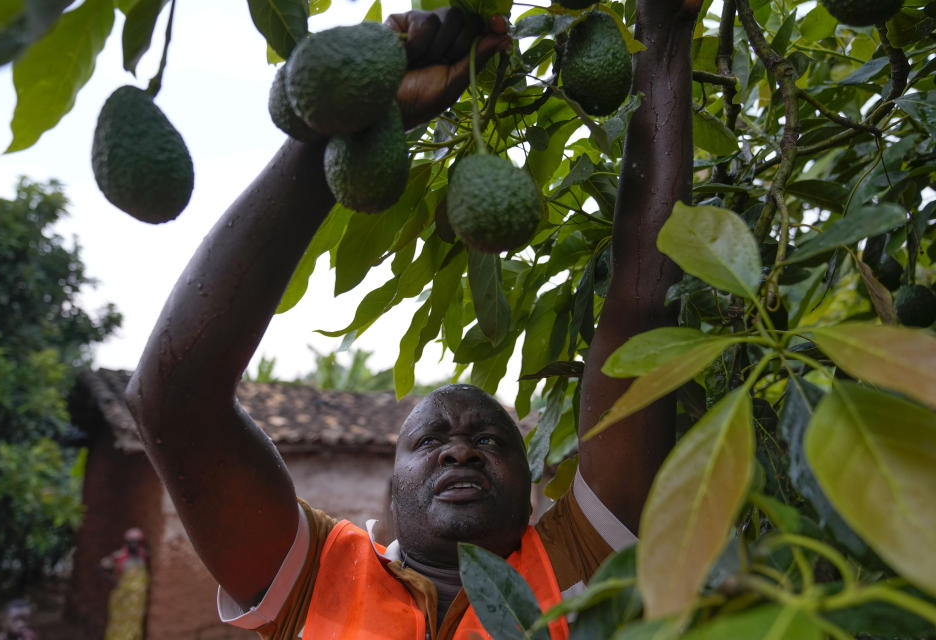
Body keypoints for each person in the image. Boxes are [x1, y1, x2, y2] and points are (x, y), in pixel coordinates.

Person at [124, 1, 701, 637]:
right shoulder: (320, 574)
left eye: (489, 441)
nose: (460, 450)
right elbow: (174, 401)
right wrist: (338, 129)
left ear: (533, 485)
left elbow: (645, 306)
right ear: (389, 492)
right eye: (428, 442)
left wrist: (664, 32)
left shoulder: (584, 559)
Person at [100, 527, 150, 640]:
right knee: (118, 622)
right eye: (132, 542)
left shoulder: (144, 556)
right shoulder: (119, 556)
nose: (134, 544)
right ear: (127, 542)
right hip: (122, 597)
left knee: (134, 625)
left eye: (137, 542)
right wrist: (114, 581)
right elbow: (101, 567)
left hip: (138, 600)